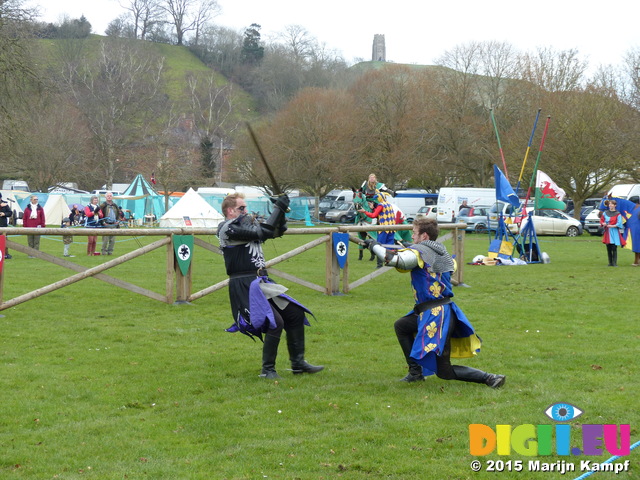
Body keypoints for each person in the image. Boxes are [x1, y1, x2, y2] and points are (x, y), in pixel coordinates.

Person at [364, 217, 506, 388]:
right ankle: (415, 373)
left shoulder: (421, 253)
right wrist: (405, 245)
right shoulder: (441, 253)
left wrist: (375, 246)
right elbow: (413, 256)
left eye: (415, 233)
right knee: (402, 325)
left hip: (437, 316)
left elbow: (397, 261)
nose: (412, 235)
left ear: (424, 236)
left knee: (444, 371)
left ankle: (490, 378)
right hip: (435, 310)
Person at [217, 192, 323, 379]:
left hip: (261, 282)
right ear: (230, 211)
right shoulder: (226, 228)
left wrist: (281, 211)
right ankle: (268, 370)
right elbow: (262, 232)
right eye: (241, 208)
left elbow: (276, 231)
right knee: (274, 322)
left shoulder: (246, 225)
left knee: (295, 314)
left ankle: (297, 363)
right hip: (244, 285)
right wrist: (279, 208)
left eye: (245, 208)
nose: (245, 211)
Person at [357, 190, 396, 268]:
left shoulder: (381, 205)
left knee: (379, 246)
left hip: (384, 229)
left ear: (380, 198)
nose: (377, 200)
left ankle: (379, 265)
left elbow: (373, 215)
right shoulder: (389, 204)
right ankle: (390, 263)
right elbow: (381, 213)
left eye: (377, 198)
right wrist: (374, 208)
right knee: (390, 246)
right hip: (392, 228)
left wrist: (365, 211)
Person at [600, 199, 625, 266]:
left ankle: (614, 263)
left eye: (611, 204)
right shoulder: (605, 213)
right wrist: (604, 223)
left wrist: (612, 225)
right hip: (607, 232)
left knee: (614, 247)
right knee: (608, 247)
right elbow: (602, 220)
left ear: (615, 205)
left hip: (614, 232)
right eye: (609, 204)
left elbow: (619, 223)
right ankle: (610, 262)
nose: (610, 205)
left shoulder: (618, 214)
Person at [0, 193, 13, 259]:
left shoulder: (5, 204)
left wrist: (4, 214)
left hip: (3, 225)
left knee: (4, 240)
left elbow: (10, 213)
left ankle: (5, 254)